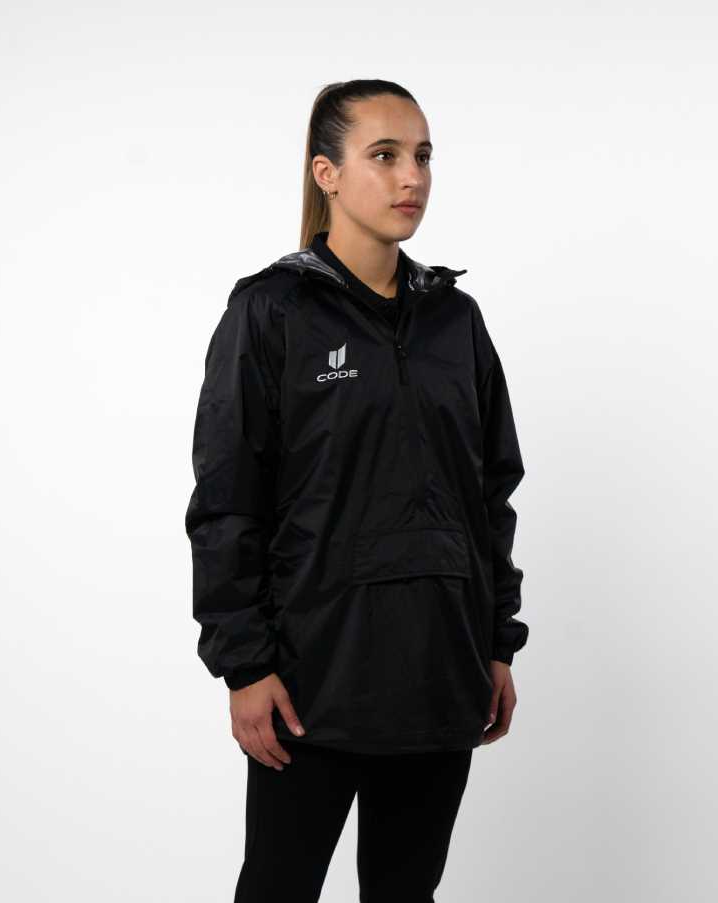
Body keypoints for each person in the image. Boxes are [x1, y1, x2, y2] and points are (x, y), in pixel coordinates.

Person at [184, 78, 529, 903]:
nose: (411, 177)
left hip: (440, 669)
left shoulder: (456, 320)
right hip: (312, 680)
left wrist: (495, 641)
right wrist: (244, 665)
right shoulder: (271, 311)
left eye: (422, 156)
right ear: (327, 173)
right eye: (384, 155)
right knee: (278, 888)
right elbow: (227, 497)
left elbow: (490, 491)